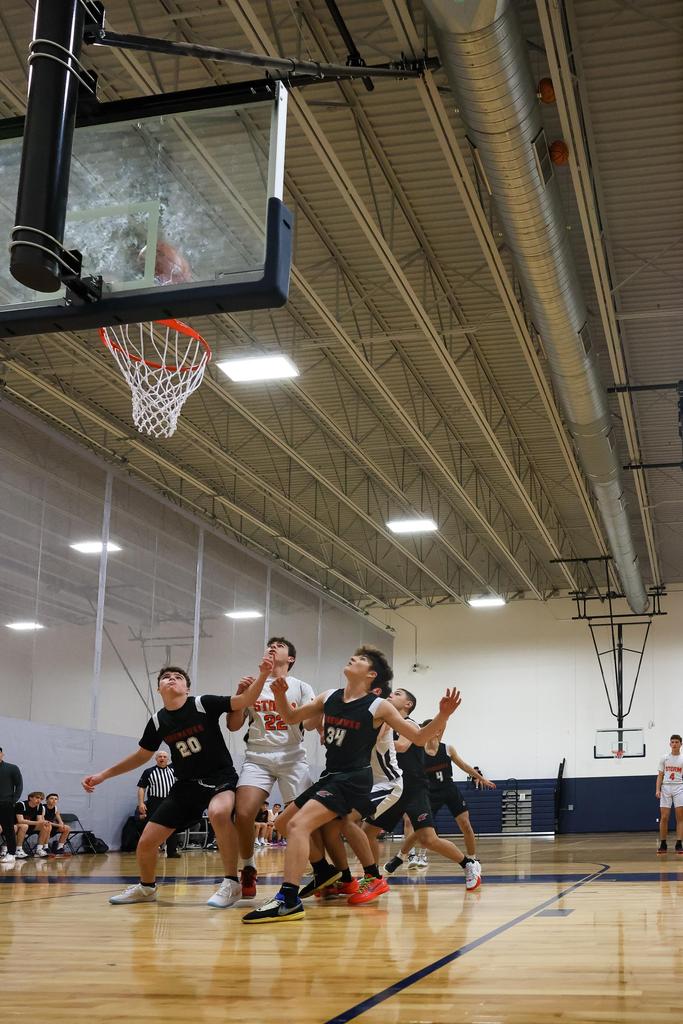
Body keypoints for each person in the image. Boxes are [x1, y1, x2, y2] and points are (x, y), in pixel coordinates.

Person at [242, 647, 461, 924]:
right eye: (355, 656)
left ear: (371, 675)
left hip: (353, 779)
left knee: (299, 825)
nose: (354, 658)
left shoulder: (378, 706)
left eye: (362, 659)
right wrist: (280, 696)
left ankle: (288, 899)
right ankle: (324, 871)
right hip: (331, 776)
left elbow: (417, 738)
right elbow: (292, 718)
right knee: (284, 823)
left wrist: (443, 716)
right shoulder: (329, 696)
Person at [82, 654, 273, 906]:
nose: (171, 679)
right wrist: (103, 775)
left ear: (187, 688)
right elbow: (141, 756)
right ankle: (146, 888)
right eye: (166, 677)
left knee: (218, 813)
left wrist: (263, 674)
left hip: (220, 778)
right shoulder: (157, 721)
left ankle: (232, 883)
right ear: (159, 688)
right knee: (146, 842)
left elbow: (244, 701)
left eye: (178, 677)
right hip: (186, 786)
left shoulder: (202, 704)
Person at [229, 637, 316, 899]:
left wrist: (316, 719)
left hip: (292, 755)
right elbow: (233, 725)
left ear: (290, 658)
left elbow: (310, 724)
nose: (272, 647)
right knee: (243, 813)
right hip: (258, 755)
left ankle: (321, 870)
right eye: (270, 645)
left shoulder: (301, 686)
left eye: (279, 645)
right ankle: (248, 867)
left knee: (304, 819)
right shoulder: (253, 685)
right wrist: (239, 695)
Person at [371, 690, 482, 891]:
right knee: (366, 831)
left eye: (397, 694)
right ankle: (372, 878)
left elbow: (402, 746)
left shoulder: (411, 724)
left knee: (428, 839)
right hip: (391, 787)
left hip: (414, 789)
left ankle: (468, 864)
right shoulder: (385, 725)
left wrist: (372, 741)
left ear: (408, 704)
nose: (391, 695)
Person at [388, 726, 495, 871]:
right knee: (421, 829)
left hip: (449, 789)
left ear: (438, 732)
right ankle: (400, 857)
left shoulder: (448, 749)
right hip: (430, 793)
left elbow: (464, 765)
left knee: (466, 824)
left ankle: (472, 858)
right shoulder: (419, 751)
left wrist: (481, 778)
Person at [136, 751, 179, 858]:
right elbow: (142, 788)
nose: (162, 758)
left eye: (164, 757)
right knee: (153, 827)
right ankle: (151, 849)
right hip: (155, 802)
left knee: (172, 826)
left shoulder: (174, 770)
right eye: (160, 756)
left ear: (168, 759)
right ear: (156, 759)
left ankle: (172, 851)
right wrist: (141, 803)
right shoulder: (149, 772)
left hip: (170, 801)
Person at [656, 733, 683, 856]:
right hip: (666, 787)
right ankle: (663, 843)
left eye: (677, 742)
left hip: (679, 787)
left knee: (680, 817)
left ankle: (679, 843)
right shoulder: (664, 758)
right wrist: (658, 789)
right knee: (664, 817)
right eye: (672, 742)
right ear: (670, 744)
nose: (674, 744)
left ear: (681, 744)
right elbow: (660, 775)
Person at [0, 747, 23, 866]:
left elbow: (19, 785)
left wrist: (13, 800)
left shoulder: (12, 768)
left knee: (8, 829)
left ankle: (11, 853)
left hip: (6, 803)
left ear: (2, 754)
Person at [15, 792, 51, 858]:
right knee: (24, 826)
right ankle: (18, 850)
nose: (39, 800)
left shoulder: (39, 806)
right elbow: (20, 820)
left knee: (45, 825)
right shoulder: (21, 804)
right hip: (17, 825)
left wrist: (44, 822)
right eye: (37, 798)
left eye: (41, 799)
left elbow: (39, 820)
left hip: (30, 825)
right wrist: (37, 823)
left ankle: (39, 849)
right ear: (30, 798)